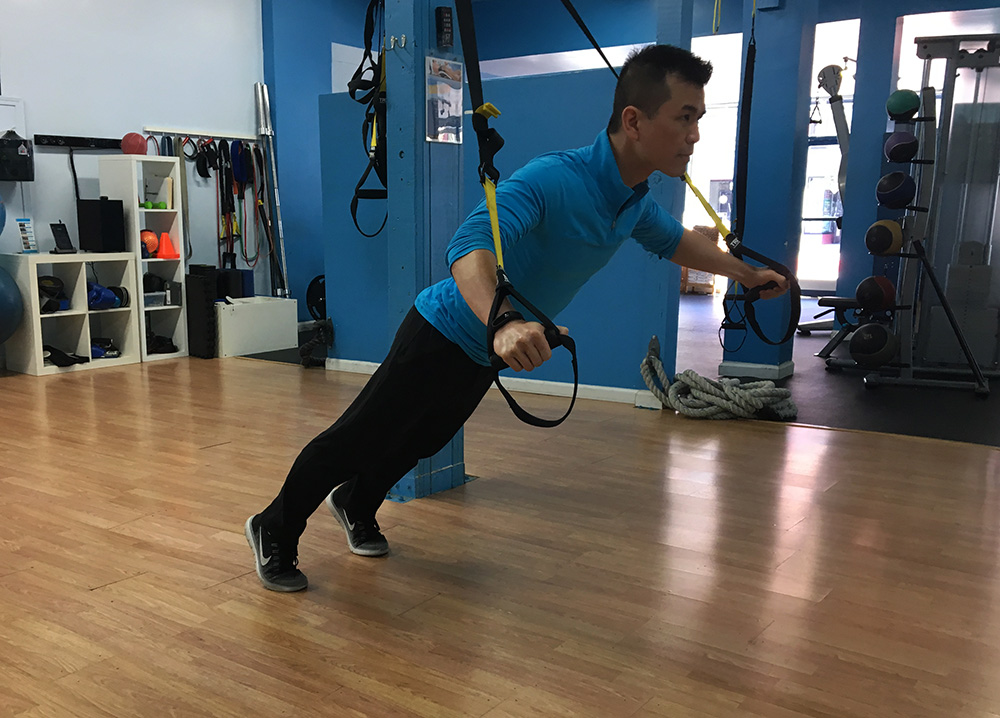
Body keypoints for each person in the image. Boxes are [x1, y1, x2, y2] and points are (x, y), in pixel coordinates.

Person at [245, 44, 790, 592]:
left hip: (485, 350)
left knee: (422, 440)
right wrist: (505, 322)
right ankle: (274, 527)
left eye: (698, 119)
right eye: (685, 117)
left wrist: (745, 275)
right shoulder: (554, 179)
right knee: (355, 440)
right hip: (441, 330)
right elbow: (468, 245)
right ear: (634, 121)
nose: (694, 135)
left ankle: (356, 502)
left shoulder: (632, 204)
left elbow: (675, 242)